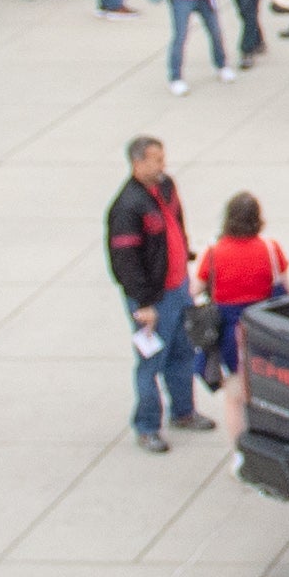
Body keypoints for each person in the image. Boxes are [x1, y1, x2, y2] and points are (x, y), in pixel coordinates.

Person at [102, 137, 200, 451]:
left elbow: (176, 226)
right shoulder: (127, 207)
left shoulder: (166, 187)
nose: (163, 165)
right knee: (151, 362)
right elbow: (125, 261)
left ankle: (183, 411)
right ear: (137, 163)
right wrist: (142, 303)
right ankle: (146, 427)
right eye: (156, 160)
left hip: (179, 288)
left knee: (183, 351)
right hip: (154, 298)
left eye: (163, 157)